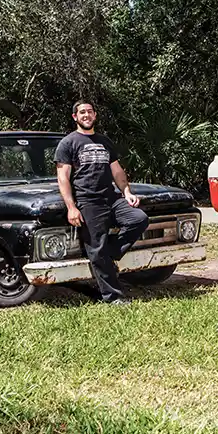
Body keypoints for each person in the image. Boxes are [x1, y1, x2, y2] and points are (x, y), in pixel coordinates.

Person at [55, 100, 149, 304]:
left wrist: (126, 192)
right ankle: (112, 296)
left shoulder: (104, 141)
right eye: (82, 112)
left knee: (138, 219)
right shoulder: (68, 143)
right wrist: (71, 207)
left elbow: (117, 170)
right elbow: (63, 177)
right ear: (75, 117)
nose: (86, 115)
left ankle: (111, 253)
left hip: (111, 198)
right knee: (96, 249)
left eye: (90, 111)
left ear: (95, 115)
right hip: (88, 201)